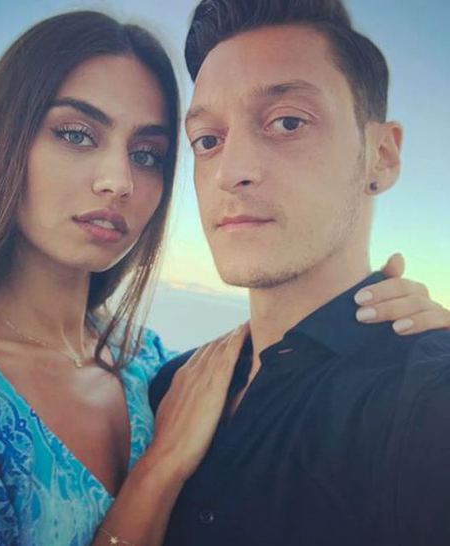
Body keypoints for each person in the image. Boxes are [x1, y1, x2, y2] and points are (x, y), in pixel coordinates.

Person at [0, 7, 446, 546]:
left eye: (148, 154)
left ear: (382, 155)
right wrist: (161, 467)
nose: (118, 181)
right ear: (2, 143)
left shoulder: (155, 370)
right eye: (76, 134)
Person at [146, 1, 450, 545]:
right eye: (207, 140)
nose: (231, 172)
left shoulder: (427, 405)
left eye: (288, 122)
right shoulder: (170, 388)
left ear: (381, 156)